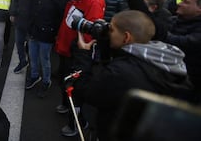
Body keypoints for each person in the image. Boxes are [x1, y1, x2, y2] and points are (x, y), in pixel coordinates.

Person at [74, 10, 192, 141]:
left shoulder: (121, 73)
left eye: (111, 30)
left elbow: (87, 92)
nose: (107, 32)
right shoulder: (167, 60)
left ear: (126, 37)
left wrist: (83, 55)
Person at [54, 0, 105, 136]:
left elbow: (89, 32)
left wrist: (80, 50)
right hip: (67, 46)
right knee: (64, 78)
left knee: (76, 88)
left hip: (78, 52)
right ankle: (66, 105)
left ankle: (76, 123)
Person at [16, 0, 67, 98]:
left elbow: (61, 19)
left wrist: (55, 34)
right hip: (34, 33)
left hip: (47, 36)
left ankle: (46, 81)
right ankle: (34, 76)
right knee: (33, 57)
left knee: (44, 60)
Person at [165, 0, 201, 102]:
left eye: (186, 2)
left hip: (188, 82)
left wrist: (162, 35)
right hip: (165, 75)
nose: (179, 3)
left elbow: (186, 43)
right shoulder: (172, 20)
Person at [9, 0, 42, 74]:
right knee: (19, 43)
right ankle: (23, 61)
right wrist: (13, 13)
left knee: (32, 48)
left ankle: (34, 71)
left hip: (31, 22)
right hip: (20, 20)